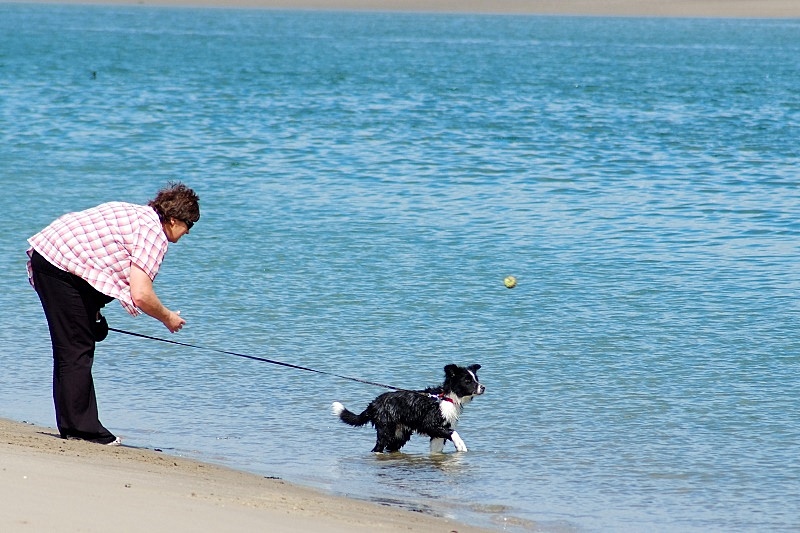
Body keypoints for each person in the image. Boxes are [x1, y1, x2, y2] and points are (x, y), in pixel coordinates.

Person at [27, 182, 200, 445]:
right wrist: (168, 318)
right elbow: (141, 294)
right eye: (189, 225)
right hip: (59, 265)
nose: (188, 232)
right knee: (76, 348)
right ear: (174, 220)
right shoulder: (154, 234)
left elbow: (100, 264)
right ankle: (83, 429)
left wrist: (93, 313)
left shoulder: (138, 215)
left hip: (54, 256)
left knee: (73, 345)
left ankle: (73, 426)